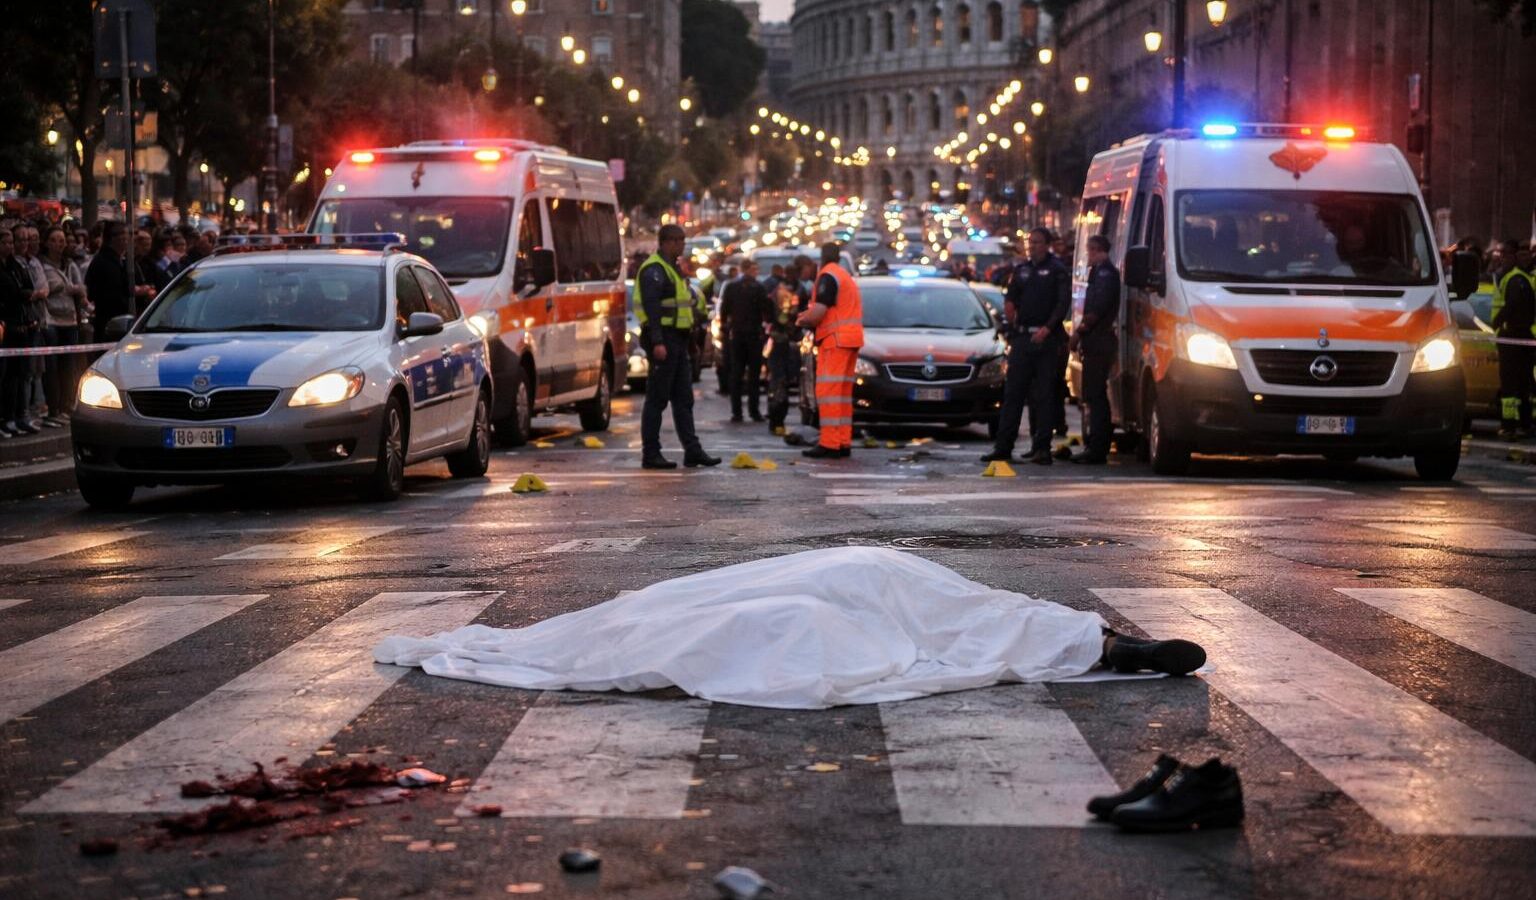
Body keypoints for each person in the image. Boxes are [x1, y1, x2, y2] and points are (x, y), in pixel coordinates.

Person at [633, 225, 721, 470]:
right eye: (677, 240)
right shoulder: (654, 270)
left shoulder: (673, 269)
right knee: (657, 399)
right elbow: (652, 309)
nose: (682, 244)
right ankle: (651, 453)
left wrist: (691, 342)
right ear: (665, 242)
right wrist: (658, 342)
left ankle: (692, 451)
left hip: (678, 340)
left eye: (682, 240)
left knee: (684, 399)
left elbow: (684, 308)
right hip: (664, 339)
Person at [982, 227, 1072, 465]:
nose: (1032, 246)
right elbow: (1011, 297)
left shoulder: (1057, 270)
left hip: (1046, 339)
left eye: (1037, 242)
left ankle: (1042, 447)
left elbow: (1062, 303)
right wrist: (1010, 309)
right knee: (1013, 394)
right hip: (1022, 338)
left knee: (1044, 395)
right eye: (1030, 242)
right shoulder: (1022, 270)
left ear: (1047, 244)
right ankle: (1003, 447)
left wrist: (1048, 328)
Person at [796, 242, 864, 459]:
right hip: (850, 340)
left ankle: (830, 443)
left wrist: (802, 320)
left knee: (828, 393)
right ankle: (842, 441)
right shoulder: (844, 275)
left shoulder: (828, 276)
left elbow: (819, 312)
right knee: (842, 395)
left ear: (822, 257)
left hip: (835, 341)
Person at [1069, 235, 1120, 464]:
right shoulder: (1099, 273)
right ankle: (1095, 444)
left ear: (1098, 250)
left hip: (1099, 341)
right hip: (1096, 341)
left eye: (1090, 250)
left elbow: (1097, 309)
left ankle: (1098, 447)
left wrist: (1079, 332)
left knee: (1096, 395)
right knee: (1092, 394)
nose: (1087, 255)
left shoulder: (1105, 275)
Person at [38, 226, 86, 426]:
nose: (59, 244)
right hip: (52, 320)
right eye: (54, 240)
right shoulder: (42, 265)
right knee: (52, 368)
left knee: (69, 367)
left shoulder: (70, 265)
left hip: (70, 320)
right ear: (47, 243)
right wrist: (67, 288)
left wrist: (73, 291)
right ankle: (53, 408)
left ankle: (67, 405)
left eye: (62, 240)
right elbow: (47, 288)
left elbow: (80, 288)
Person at [1489, 238, 1536, 439]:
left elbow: (1513, 306)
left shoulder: (1514, 279)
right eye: (1501, 255)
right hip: (1522, 337)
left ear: (1514, 256)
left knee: (1510, 383)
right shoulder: (1520, 278)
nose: (1503, 259)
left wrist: (1497, 322)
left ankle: (1508, 426)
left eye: (1506, 254)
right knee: (1524, 382)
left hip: (1511, 337)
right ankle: (1524, 424)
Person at [0, 228, 40, 437]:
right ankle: (5, 418)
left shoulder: (15, 266)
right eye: (5, 242)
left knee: (19, 375)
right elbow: (13, 294)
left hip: (22, 325)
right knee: (5, 376)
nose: (9, 246)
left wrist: (25, 294)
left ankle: (17, 416)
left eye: (10, 242)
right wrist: (23, 295)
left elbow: (28, 287)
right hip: (6, 326)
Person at [720, 258, 770, 422]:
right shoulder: (758, 288)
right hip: (752, 335)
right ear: (746, 269)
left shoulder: (732, 287)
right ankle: (753, 411)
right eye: (754, 269)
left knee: (738, 374)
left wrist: (725, 329)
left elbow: (724, 310)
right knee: (752, 375)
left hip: (738, 335)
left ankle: (737, 412)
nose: (756, 273)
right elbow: (766, 309)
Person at [765, 278, 803, 434]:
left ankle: (775, 419)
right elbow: (786, 321)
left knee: (777, 383)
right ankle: (777, 420)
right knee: (780, 384)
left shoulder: (775, 297)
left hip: (779, 344)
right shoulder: (786, 299)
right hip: (782, 345)